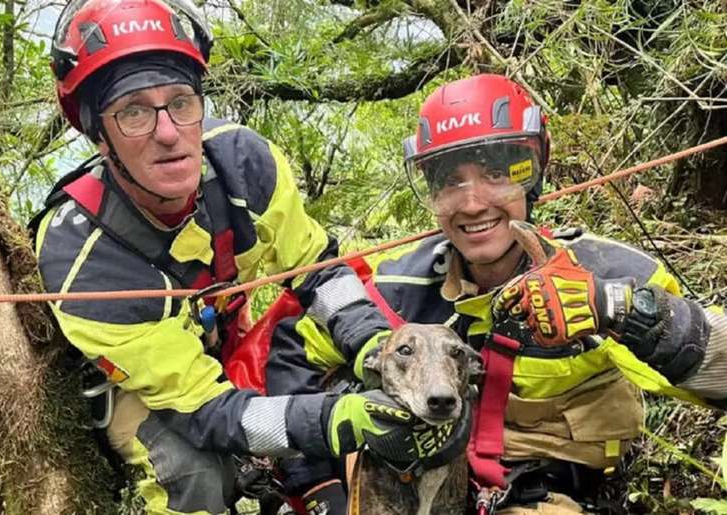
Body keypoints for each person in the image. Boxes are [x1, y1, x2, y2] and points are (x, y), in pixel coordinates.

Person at [32, 0, 466, 513]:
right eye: (133, 112)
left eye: (181, 102)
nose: (168, 133)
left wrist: (377, 346)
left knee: (338, 355)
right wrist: (329, 421)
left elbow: (319, 272)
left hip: (223, 340)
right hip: (145, 385)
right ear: (98, 135)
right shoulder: (81, 258)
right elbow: (206, 411)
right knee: (193, 471)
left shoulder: (241, 163)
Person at [266, 74, 727, 514]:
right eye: (450, 181)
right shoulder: (399, 288)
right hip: (404, 490)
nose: (471, 204)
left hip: (540, 496)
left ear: (533, 176)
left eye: (495, 173)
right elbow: (296, 350)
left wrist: (621, 312)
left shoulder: (610, 273)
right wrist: (318, 485)